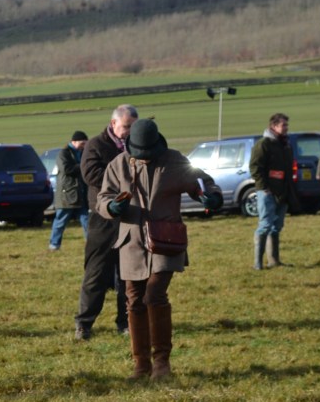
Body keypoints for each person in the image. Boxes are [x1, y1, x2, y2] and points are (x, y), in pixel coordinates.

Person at [98, 119, 222, 380]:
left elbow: (203, 183)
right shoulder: (118, 164)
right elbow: (103, 198)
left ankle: (162, 362)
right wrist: (111, 207)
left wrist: (212, 195)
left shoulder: (174, 160)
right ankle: (141, 365)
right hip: (131, 242)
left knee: (154, 295)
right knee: (133, 300)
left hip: (166, 242)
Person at [74, 105, 137, 340]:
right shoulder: (96, 145)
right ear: (113, 124)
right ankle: (84, 324)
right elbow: (90, 174)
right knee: (96, 274)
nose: (129, 132)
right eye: (126, 127)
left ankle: (126, 322)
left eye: (133, 127)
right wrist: (121, 182)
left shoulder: (137, 145)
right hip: (103, 218)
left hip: (129, 217)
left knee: (128, 275)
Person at [249, 113, 298, 269]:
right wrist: (264, 188)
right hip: (267, 192)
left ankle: (274, 260)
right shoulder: (264, 144)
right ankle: (257, 264)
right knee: (265, 225)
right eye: (283, 125)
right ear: (274, 126)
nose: (286, 128)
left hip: (282, 192)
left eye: (286, 125)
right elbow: (255, 167)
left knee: (276, 226)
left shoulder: (285, 145)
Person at [49, 130, 90, 250]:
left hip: (80, 193)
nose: (84, 146)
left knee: (87, 221)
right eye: (82, 143)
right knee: (60, 222)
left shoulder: (83, 152)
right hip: (66, 194)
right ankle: (54, 245)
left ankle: (91, 244)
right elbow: (67, 169)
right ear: (74, 141)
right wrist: (83, 165)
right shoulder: (63, 153)